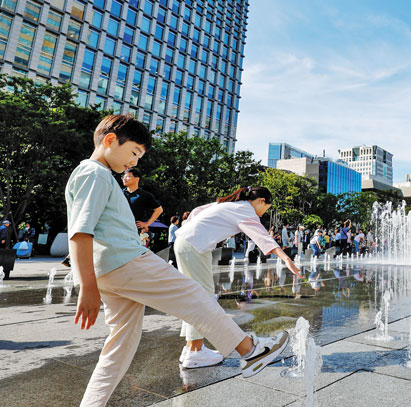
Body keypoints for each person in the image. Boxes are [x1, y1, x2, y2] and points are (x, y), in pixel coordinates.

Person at [66, 115, 290, 407]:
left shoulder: (98, 175)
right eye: (133, 152)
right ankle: (251, 351)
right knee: (194, 294)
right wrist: (87, 286)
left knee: (120, 347)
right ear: (110, 140)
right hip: (124, 261)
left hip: (111, 268)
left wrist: (92, 281)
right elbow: (80, 233)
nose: (133, 163)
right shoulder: (93, 173)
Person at [174, 186, 303, 369]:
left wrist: (190, 230)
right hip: (194, 246)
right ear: (261, 201)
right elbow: (262, 236)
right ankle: (195, 352)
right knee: (203, 299)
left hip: (186, 243)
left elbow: (197, 211)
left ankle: (192, 348)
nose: (263, 213)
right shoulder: (246, 210)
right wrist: (286, 258)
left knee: (196, 297)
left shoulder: (231, 205)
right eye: (266, 208)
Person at [122, 168, 163, 232]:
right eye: (123, 177)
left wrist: (147, 223)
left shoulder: (144, 195)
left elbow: (159, 210)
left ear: (137, 179)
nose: (124, 179)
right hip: (118, 229)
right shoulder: (119, 193)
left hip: (134, 231)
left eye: (127, 176)